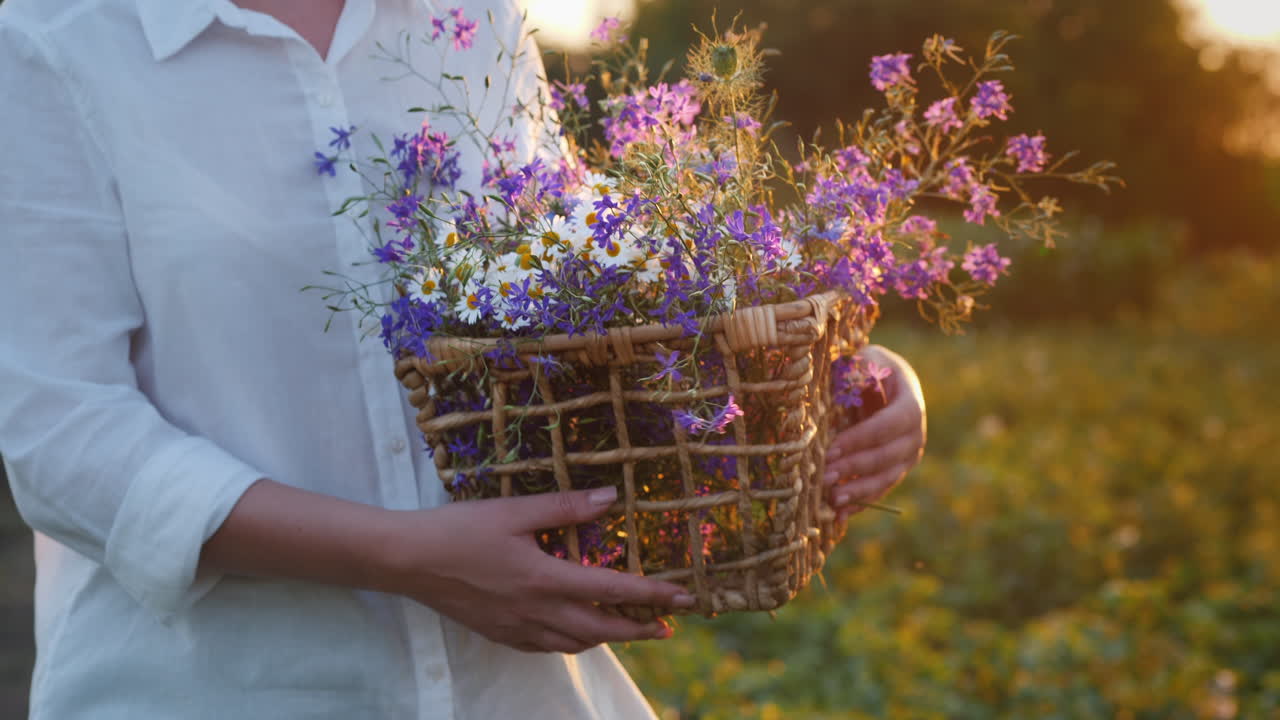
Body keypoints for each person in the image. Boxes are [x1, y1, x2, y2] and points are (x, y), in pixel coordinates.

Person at [0, 0, 926, 717]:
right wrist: (402, 556)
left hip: (520, 690)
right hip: (218, 687)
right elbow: (63, 436)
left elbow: (584, 297)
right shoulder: (54, 38)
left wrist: (824, 383)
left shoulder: (473, 17)